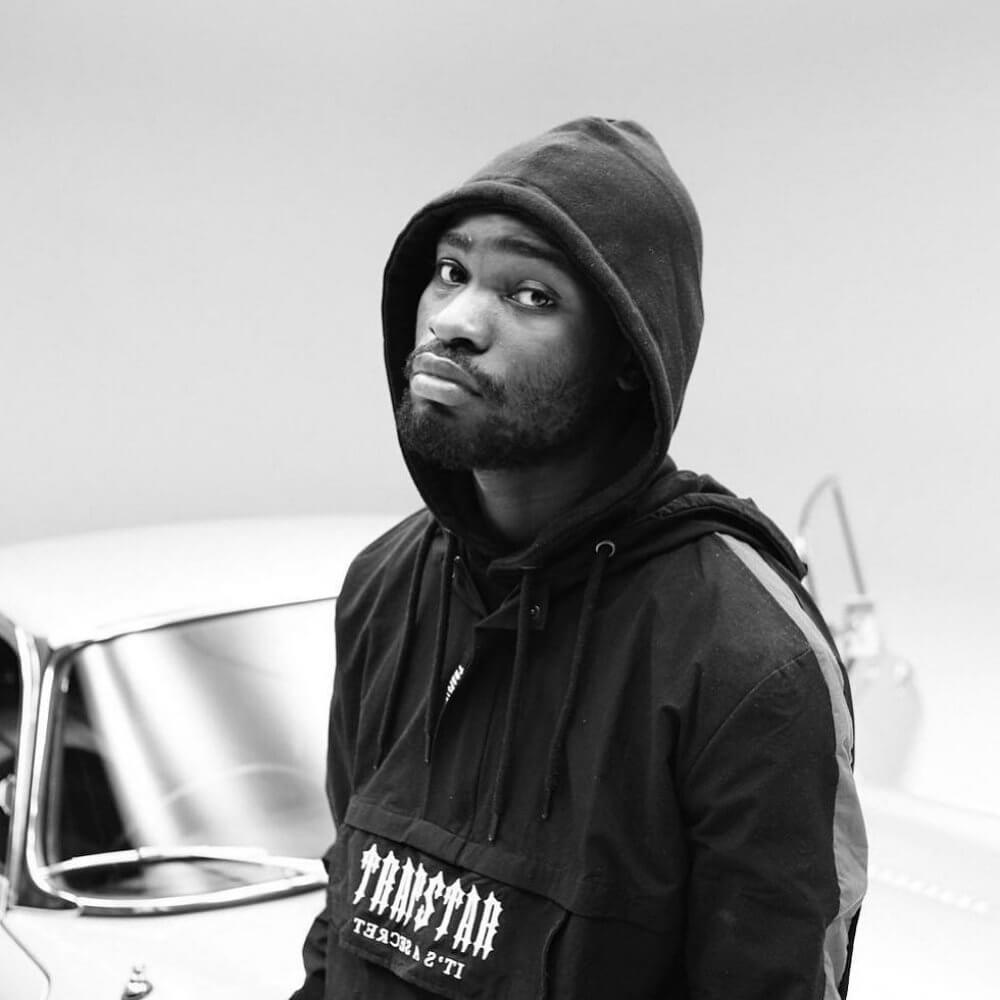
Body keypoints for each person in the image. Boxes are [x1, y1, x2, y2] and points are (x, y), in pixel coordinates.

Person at [291, 117, 867, 999]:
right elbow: (345, 922)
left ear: (630, 359)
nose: (453, 321)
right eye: (451, 271)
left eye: (530, 295)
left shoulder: (749, 660)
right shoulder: (385, 585)